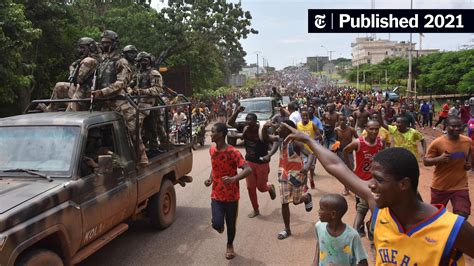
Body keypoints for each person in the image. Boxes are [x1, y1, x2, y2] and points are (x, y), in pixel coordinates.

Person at [282, 125, 474, 265]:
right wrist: (308, 140)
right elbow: (336, 165)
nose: (370, 185)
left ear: (404, 184)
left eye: (379, 179)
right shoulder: (378, 207)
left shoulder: (452, 229)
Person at [90, 30, 148, 167]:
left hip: (119, 101)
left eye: (107, 43)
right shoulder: (101, 60)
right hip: (102, 101)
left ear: (115, 44)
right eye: (102, 43)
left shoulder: (121, 62)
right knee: (98, 132)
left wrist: (102, 92)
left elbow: (121, 83)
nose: (104, 45)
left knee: (133, 130)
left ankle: (142, 159)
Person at [204, 123, 252, 260]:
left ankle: (229, 245)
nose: (210, 134)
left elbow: (248, 169)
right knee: (217, 224)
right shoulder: (212, 150)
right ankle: (219, 226)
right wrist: (210, 179)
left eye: (212, 131)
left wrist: (233, 179)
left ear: (221, 134)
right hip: (216, 194)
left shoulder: (233, 152)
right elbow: (215, 166)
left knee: (231, 224)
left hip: (231, 196)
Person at [264, 119, 314, 240]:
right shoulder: (280, 140)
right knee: (284, 202)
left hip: (297, 175)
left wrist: (307, 167)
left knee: (296, 201)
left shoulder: (296, 142)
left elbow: (311, 154)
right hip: (283, 175)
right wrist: (265, 128)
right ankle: (287, 229)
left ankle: (306, 197)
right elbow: (266, 138)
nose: (277, 130)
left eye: (280, 128)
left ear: (287, 129)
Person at [228, 106, 277, 218]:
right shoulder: (245, 128)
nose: (248, 122)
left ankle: (269, 188)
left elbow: (276, 141)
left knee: (261, 187)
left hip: (262, 163)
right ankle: (256, 209)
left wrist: (269, 155)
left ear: (255, 121)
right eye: (247, 119)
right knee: (250, 188)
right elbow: (230, 122)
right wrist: (237, 111)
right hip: (249, 163)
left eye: (250, 120)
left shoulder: (262, 130)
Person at [423, 116, 472, 218]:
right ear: (446, 127)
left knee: (463, 214)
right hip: (440, 186)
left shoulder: (467, 141)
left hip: (460, 185)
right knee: (436, 216)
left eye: (459, 126)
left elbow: (470, 153)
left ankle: (454, 233)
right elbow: (426, 161)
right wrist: (439, 159)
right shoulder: (438, 142)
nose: (457, 129)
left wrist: (469, 163)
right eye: (453, 126)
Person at [343, 120, 384, 238]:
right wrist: (350, 169)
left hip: (375, 181)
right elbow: (345, 151)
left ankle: (371, 225)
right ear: (366, 129)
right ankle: (360, 228)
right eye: (371, 129)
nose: (374, 131)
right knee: (361, 207)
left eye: (376, 129)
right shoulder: (358, 143)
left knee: (377, 205)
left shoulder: (380, 142)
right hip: (360, 180)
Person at [41, 37, 100, 112]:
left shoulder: (88, 61)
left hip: (86, 92)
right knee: (59, 86)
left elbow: (78, 79)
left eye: (82, 48)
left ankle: (69, 111)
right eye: (79, 47)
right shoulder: (86, 58)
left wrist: (72, 71)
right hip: (81, 88)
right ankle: (51, 109)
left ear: (90, 47)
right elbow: (73, 67)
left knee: (69, 113)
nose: (80, 50)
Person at [313, 194, 368, 266]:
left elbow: (363, 262)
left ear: (333, 214)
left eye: (321, 209)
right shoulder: (319, 227)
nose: (319, 211)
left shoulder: (352, 236)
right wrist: (315, 261)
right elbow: (319, 242)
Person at [131, 52, 162, 155]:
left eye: (145, 60)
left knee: (152, 128)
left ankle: (154, 148)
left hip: (151, 104)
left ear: (149, 61)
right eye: (141, 61)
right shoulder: (138, 73)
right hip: (138, 104)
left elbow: (157, 89)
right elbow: (131, 85)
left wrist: (143, 91)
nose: (142, 63)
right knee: (140, 128)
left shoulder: (153, 73)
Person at [334, 115, 358, 195]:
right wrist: (335, 150)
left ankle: (353, 186)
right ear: (338, 121)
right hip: (340, 152)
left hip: (349, 153)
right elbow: (336, 141)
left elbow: (358, 139)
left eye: (344, 120)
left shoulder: (351, 129)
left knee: (350, 170)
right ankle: (346, 187)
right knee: (343, 171)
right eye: (340, 120)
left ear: (346, 120)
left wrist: (356, 148)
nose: (342, 122)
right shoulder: (336, 130)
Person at [297, 110, 320, 190]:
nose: (305, 117)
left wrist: (312, 139)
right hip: (303, 150)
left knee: (312, 167)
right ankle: (305, 184)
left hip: (312, 150)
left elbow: (319, 136)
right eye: (303, 116)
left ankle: (312, 179)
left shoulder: (312, 124)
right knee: (305, 167)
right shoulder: (298, 125)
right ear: (301, 116)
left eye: (306, 116)